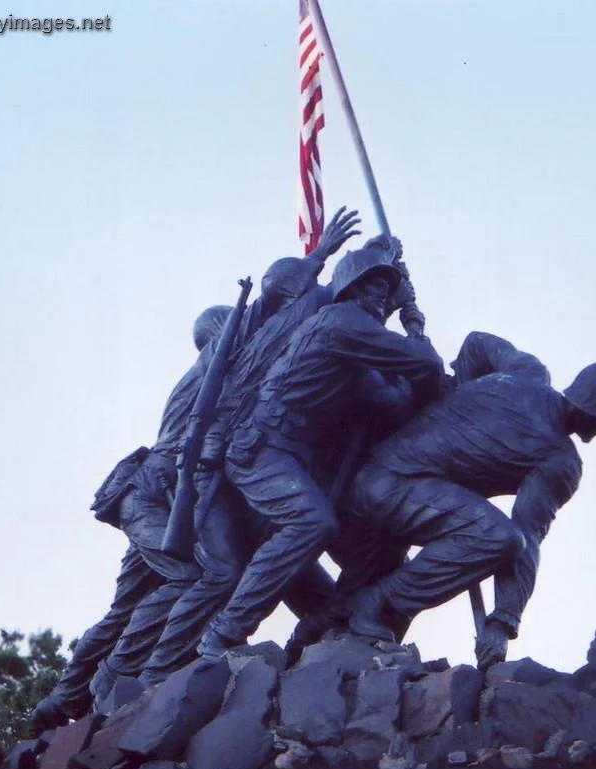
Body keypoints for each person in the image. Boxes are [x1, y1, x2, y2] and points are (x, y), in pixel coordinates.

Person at [98, 208, 363, 689]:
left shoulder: (230, 364)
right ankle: (143, 677)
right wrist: (322, 259)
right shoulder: (219, 365)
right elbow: (281, 308)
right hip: (174, 482)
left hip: (190, 478)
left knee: (160, 592)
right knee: (214, 573)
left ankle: (99, 683)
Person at [191, 244, 446, 660]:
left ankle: (331, 625)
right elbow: (426, 367)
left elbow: (394, 402)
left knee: (375, 536)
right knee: (312, 522)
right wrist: (414, 325)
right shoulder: (343, 322)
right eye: (375, 286)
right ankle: (223, 634)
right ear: (352, 288)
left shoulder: (355, 344)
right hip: (261, 450)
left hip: (295, 459)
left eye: (388, 287)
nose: (383, 295)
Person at [344, 357, 596, 669]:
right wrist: (503, 622)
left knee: (361, 617)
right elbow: (527, 536)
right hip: (393, 493)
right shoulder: (560, 462)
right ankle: (377, 602)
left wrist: (458, 391)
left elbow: (475, 344)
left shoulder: (525, 371)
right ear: (590, 409)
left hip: (377, 475)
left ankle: (358, 631)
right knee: (498, 538)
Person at [27, 306, 231, 733]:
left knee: (124, 609)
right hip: (148, 494)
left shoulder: (223, 373)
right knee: (188, 576)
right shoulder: (211, 362)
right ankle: (115, 675)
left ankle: (62, 698)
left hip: (165, 497)